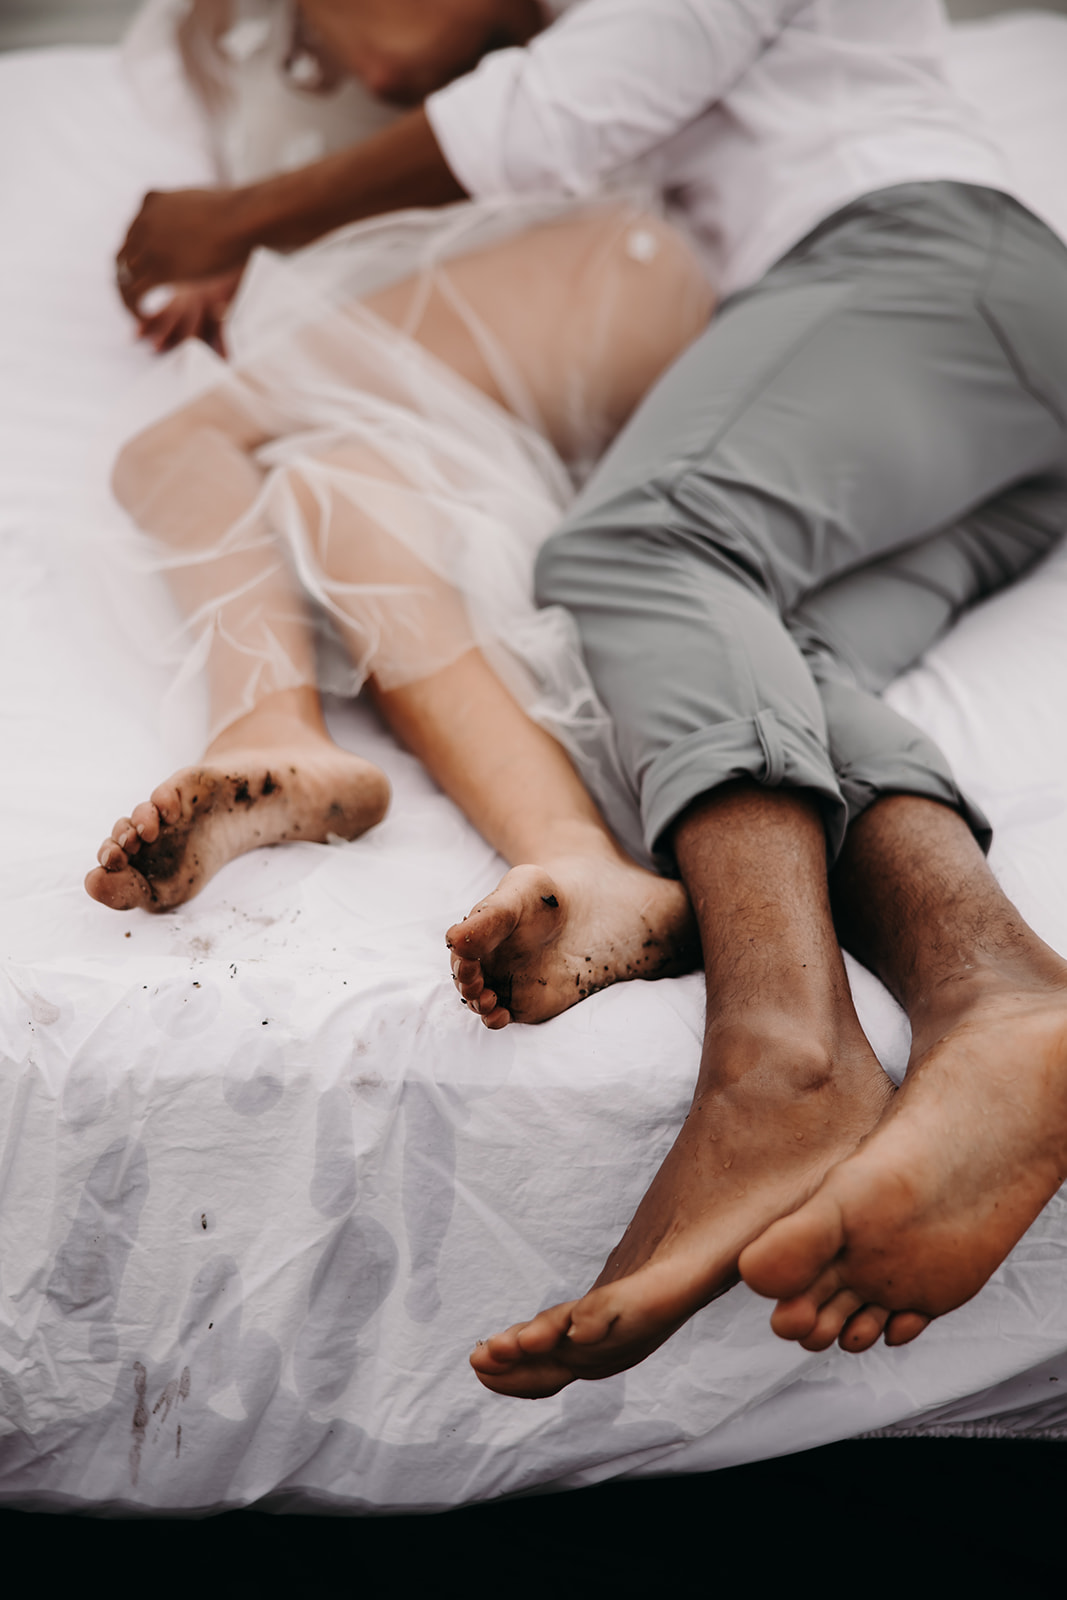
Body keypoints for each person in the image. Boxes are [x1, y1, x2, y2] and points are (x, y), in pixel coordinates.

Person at [110, 0, 1067, 1386]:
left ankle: (781, 1048)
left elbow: (562, 101)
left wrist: (241, 216)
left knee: (633, 551)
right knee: (761, 669)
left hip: (917, 260)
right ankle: (1003, 1002)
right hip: (974, 373)